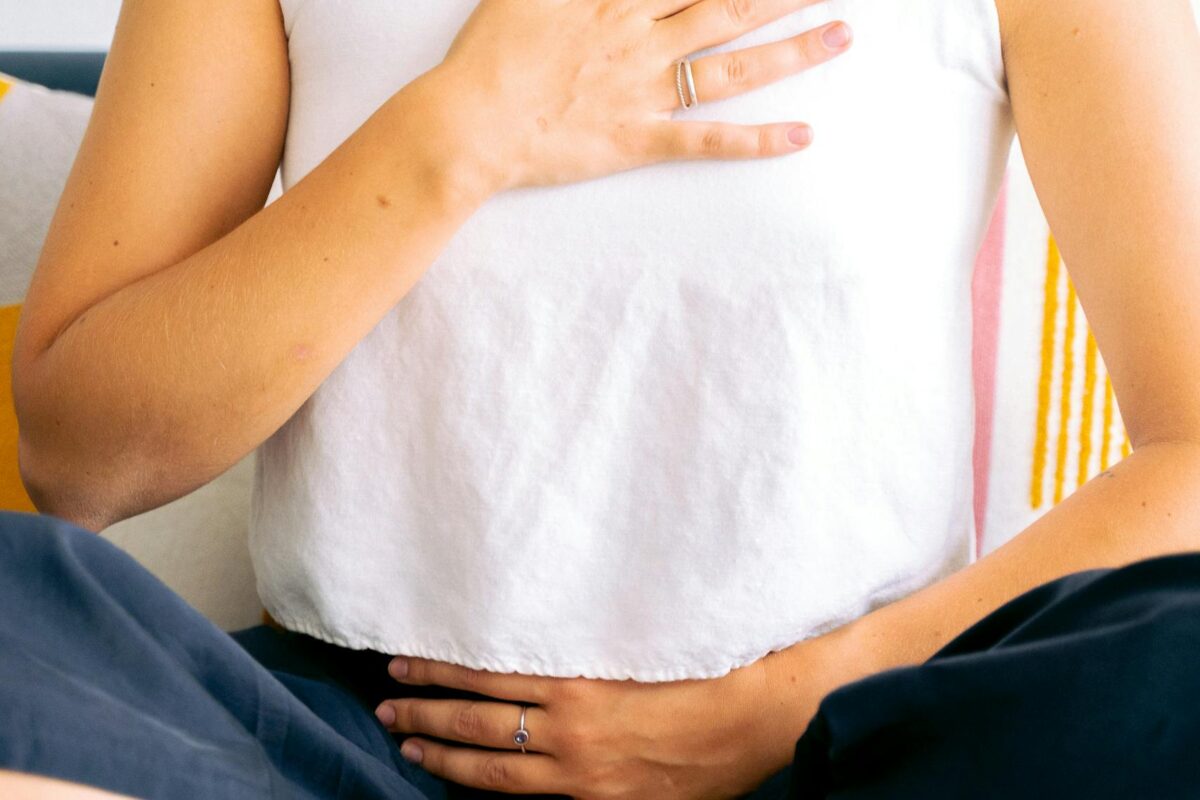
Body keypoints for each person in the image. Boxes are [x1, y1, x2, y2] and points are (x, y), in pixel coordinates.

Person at [3, 0, 1199, 797]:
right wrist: (461, 128)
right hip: (357, 744)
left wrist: (767, 716)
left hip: (850, 737)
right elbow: (76, 452)